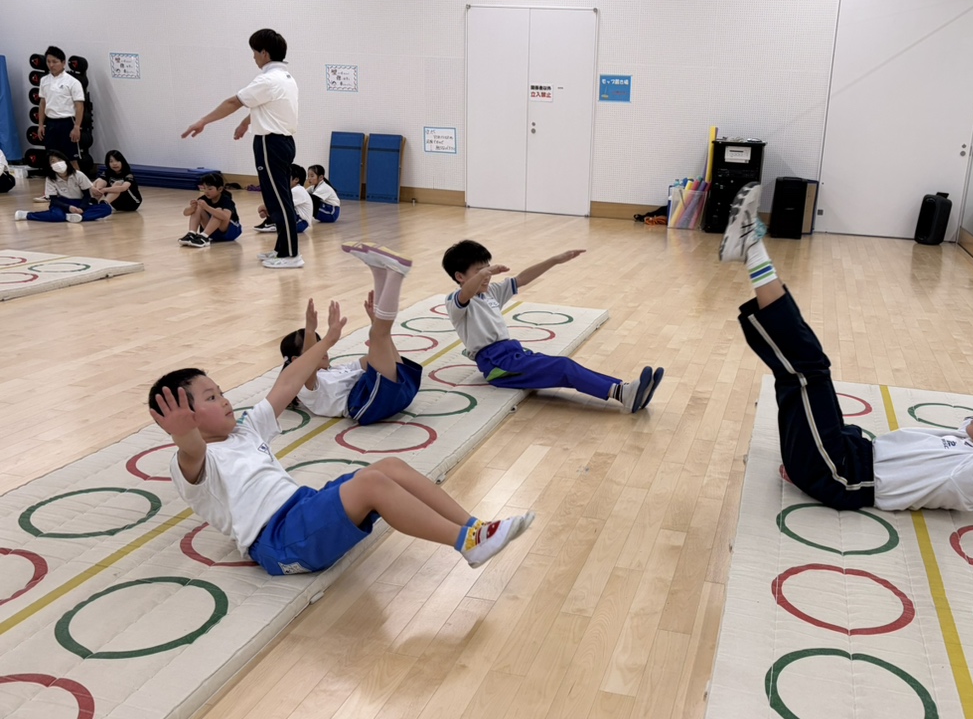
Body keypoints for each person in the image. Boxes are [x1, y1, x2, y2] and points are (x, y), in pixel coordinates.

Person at [719, 182, 973, 512]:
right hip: (848, 450)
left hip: (841, 475)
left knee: (808, 369)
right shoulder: (971, 437)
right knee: (809, 369)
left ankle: (753, 249)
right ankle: (752, 249)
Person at [148, 300, 535, 575]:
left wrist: (326, 341)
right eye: (211, 398)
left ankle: (476, 528)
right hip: (279, 540)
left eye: (221, 391)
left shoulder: (245, 431)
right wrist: (183, 433)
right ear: (184, 419)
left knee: (389, 467)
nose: (225, 400)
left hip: (302, 508)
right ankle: (465, 542)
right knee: (372, 485)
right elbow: (192, 450)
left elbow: (287, 383)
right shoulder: (194, 462)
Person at [442, 240, 664, 412]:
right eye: (480, 272)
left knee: (566, 366)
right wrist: (484, 274)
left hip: (514, 353)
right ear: (460, 276)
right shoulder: (455, 302)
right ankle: (623, 394)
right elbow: (466, 293)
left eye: (488, 269)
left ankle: (626, 389)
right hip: (498, 364)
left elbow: (521, 279)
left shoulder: (491, 292)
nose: (487, 276)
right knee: (563, 367)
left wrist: (555, 260)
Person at [182, 29, 302, 269]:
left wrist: (203, 121)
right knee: (277, 198)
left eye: (254, 52)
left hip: (271, 144)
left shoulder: (267, 79)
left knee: (278, 201)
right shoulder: (286, 78)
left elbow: (233, 102)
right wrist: (246, 123)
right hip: (282, 142)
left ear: (264, 53)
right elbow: (266, 106)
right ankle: (282, 248)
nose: (253, 57)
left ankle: (290, 254)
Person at [279, 242, 422, 423]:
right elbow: (308, 364)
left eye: (319, 343)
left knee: (380, 338)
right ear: (296, 361)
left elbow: (381, 358)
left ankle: (379, 271)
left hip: (393, 393)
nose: (322, 350)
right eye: (315, 347)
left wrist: (376, 322)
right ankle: (396, 274)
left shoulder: (337, 370)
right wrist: (310, 330)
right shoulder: (305, 388)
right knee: (378, 335)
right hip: (367, 403)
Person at [14, 150, 112, 223]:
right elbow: (53, 200)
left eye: (60, 160)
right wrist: (68, 207)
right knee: (57, 215)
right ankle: (28, 215)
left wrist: (82, 208)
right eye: (53, 161)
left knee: (106, 209)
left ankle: (75, 217)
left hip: (79, 202)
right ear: (49, 165)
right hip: (61, 204)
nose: (57, 163)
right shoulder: (50, 179)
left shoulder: (78, 175)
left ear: (65, 161)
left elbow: (87, 195)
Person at [36, 46, 84, 173]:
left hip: (67, 123)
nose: (51, 65)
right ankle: (56, 184)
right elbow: (42, 103)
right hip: (51, 123)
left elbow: (79, 106)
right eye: (48, 61)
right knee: (52, 159)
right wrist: (40, 124)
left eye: (54, 62)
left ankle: (81, 184)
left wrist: (77, 127)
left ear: (63, 63)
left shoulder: (73, 82)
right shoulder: (44, 80)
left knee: (72, 159)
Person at [180, 173, 243, 247]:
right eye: (204, 188)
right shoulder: (203, 199)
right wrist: (192, 208)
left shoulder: (226, 199)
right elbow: (185, 213)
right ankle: (191, 233)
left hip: (230, 232)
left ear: (220, 189)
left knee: (218, 211)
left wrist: (207, 207)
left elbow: (225, 216)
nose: (206, 191)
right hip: (212, 232)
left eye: (210, 189)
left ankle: (204, 236)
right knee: (198, 207)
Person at [255, 164, 311, 234]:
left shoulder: (297, 190)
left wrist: (263, 207)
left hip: (300, 222)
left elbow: (280, 204)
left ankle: (274, 224)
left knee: (280, 206)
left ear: (296, 179)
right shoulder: (292, 190)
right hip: (299, 222)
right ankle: (271, 222)